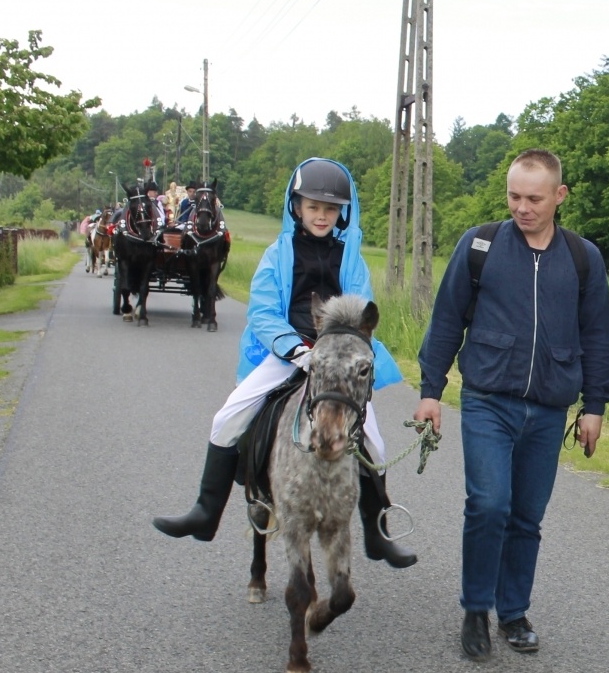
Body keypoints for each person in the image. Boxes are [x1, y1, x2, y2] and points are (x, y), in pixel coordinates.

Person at [152, 157, 419, 569]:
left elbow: (362, 307)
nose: (322, 215)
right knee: (227, 417)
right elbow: (261, 311)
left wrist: (331, 350)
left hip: (333, 358)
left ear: (341, 212)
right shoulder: (277, 254)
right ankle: (205, 513)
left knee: (375, 442)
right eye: (313, 207)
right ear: (297, 206)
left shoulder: (351, 258)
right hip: (288, 353)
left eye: (330, 209)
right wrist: (294, 349)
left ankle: (377, 534)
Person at [413, 148, 609, 660]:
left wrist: (595, 406)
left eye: (534, 198)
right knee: (489, 504)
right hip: (487, 401)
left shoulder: (582, 258)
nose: (522, 207)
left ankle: (514, 611)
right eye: (514, 196)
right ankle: (476, 609)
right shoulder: (480, 244)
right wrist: (430, 392)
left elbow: (597, 336)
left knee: (526, 515)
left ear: (559, 196)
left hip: (549, 411)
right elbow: (446, 320)